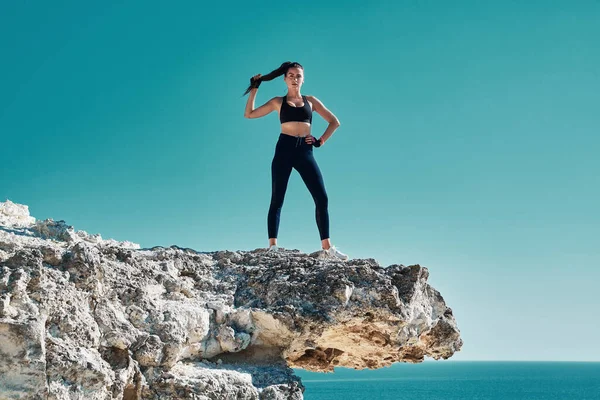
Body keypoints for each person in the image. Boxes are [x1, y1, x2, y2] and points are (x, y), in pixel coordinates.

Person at [243, 61, 348, 261]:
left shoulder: (311, 101)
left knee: (322, 197)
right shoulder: (277, 102)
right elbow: (249, 114)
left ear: (303, 79)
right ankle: (273, 246)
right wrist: (255, 88)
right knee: (277, 198)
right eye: (291, 75)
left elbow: (335, 122)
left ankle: (327, 248)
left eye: (298, 76)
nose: (294, 79)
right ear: (284, 78)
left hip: (305, 151)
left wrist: (320, 141)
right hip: (284, 148)